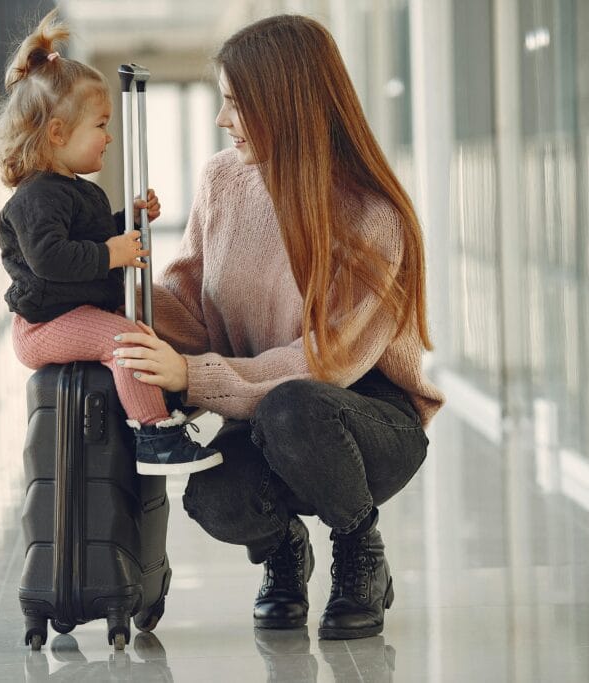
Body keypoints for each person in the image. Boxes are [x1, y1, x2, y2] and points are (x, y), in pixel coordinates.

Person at [111, 14, 444, 639]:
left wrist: (193, 376)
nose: (221, 120)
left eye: (236, 104)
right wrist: (121, 289)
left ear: (284, 105)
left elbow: (327, 363)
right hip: (262, 412)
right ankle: (284, 552)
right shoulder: (221, 181)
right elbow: (190, 302)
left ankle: (358, 552)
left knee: (296, 408)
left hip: (366, 419)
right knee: (213, 496)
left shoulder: (372, 216)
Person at [0, 10, 223, 476]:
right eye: (100, 126)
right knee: (124, 340)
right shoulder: (36, 196)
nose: (109, 137)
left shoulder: (75, 188)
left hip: (75, 309)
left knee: (143, 325)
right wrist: (113, 252)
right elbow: (51, 258)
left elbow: (85, 238)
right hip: (43, 325)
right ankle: (154, 435)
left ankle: (170, 391)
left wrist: (124, 221)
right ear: (57, 133)